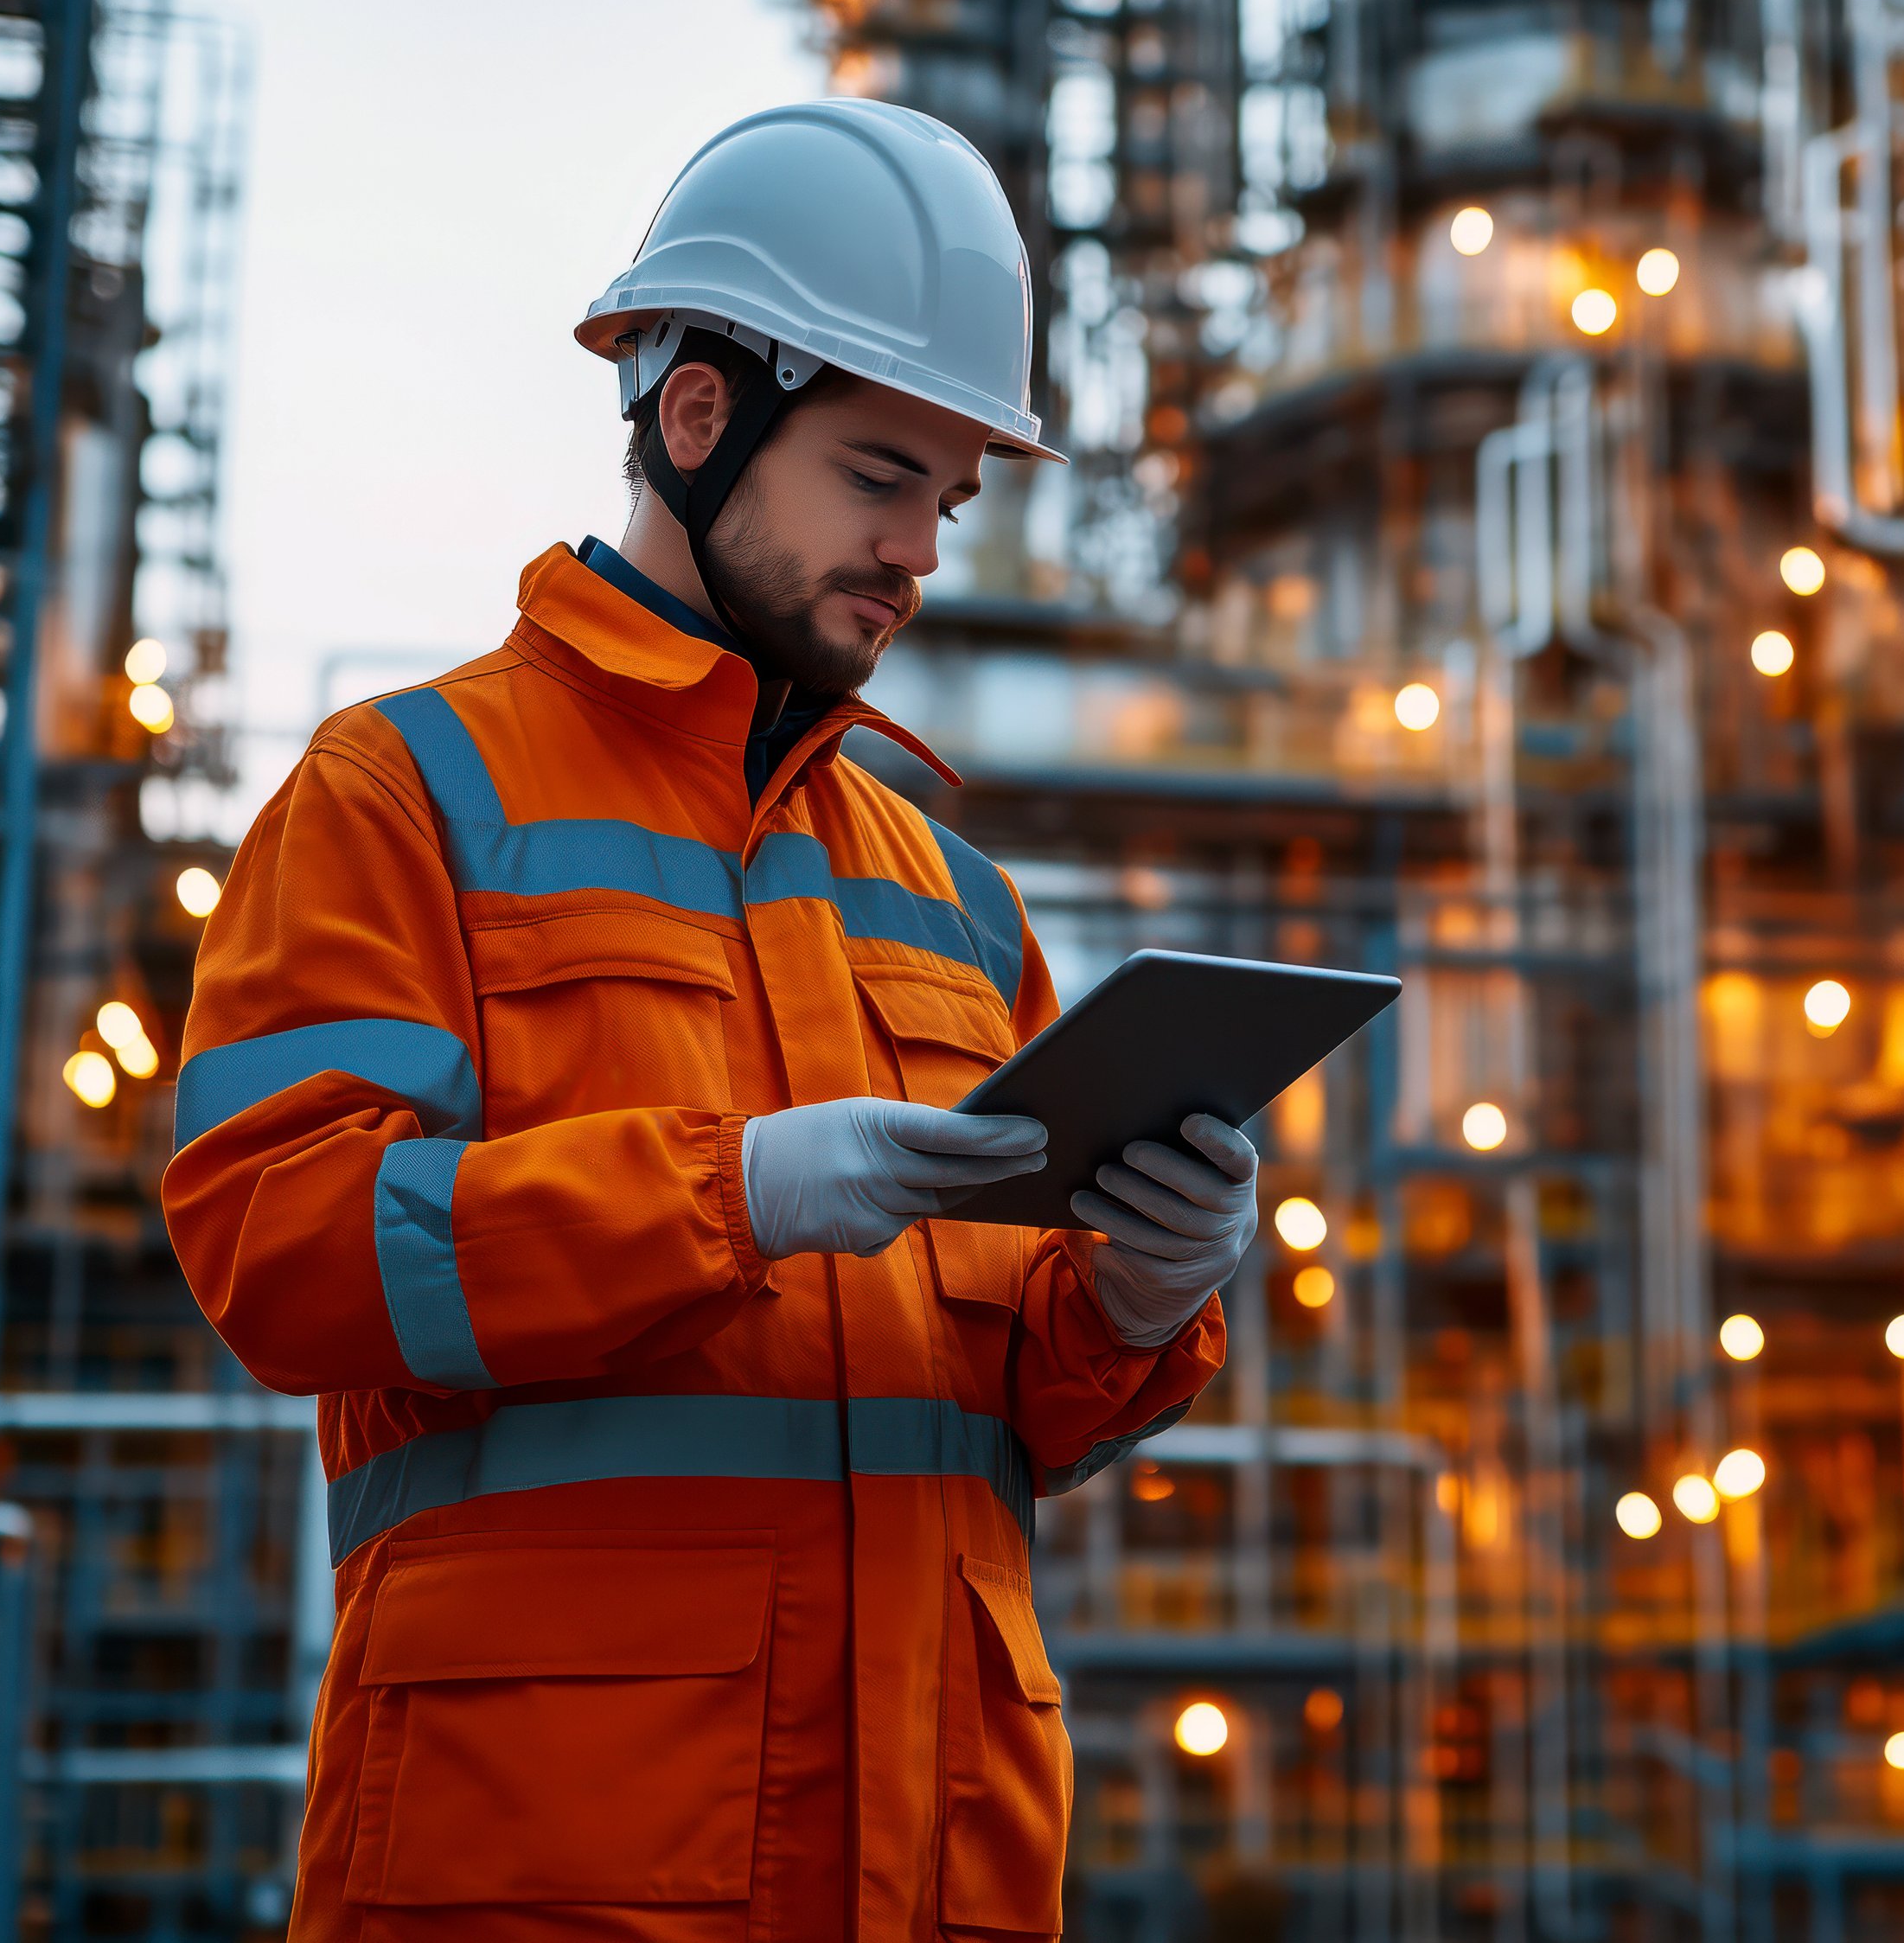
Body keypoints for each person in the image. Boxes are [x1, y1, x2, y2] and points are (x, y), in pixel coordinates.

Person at [163, 99, 1255, 1940]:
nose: (919, 548)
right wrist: (726, 1195)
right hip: (550, 1870)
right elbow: (281, 1248)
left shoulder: (952, 894)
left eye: (948, 500)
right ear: (698, 421)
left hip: (929, 1868)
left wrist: (1139, 1303)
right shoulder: (403, 793)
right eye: (878, 476)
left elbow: (998, 1402)